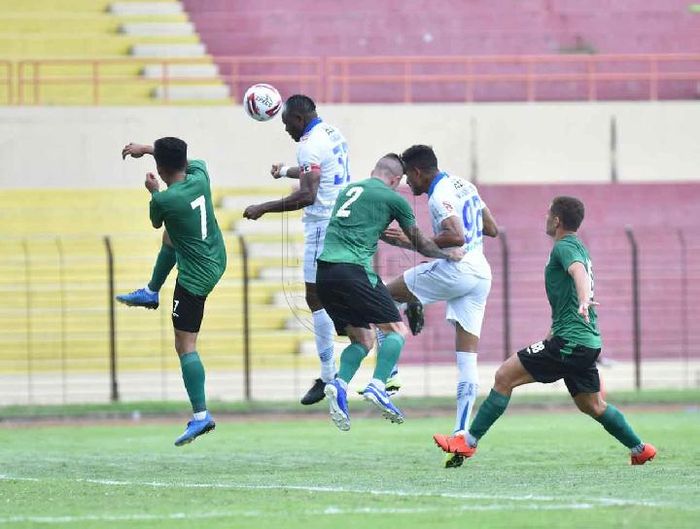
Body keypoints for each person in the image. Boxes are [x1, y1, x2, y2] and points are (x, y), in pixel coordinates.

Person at [433, 196, 657, 466]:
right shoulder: (576, 246)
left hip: (571, 342)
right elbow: (569, 293)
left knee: (504, 376)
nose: (544, 216)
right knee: (593, 406)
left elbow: (578, 273)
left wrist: (585, 299)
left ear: (557, 220)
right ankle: (640, 449)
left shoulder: (565, 247)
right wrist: (556, 329)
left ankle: (466, 443)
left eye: (548, 212)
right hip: (584, 342)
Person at [316, 153, 464, 431]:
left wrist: (384, 233)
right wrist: (447, 255)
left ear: (375, 171)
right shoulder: (394, 199)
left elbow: (362, 226)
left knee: (363, 339)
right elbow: (421, 242)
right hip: (353, 271)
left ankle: (339, 384)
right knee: (396, 330)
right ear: (396, 180)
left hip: (324, 272)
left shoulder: (349, 190)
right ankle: (378, 386)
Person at [380, 145, 498, 467]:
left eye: (408, 178)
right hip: (481, 273)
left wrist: (409, 239)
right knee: (466, 360)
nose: (408, 185)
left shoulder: (438, 194)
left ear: (418, 172)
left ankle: (387, 373)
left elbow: (455, 235)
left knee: (382, 296)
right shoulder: (464, 185)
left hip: (458, 270)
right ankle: (460, 435)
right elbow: (491, 228)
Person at [243, 94, 350, 406]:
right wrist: (286, 170)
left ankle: (328, 375)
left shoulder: (307, 143)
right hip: (343, 221)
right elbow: (319, 171)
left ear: (299, 119)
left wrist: (263, 207)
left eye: (287, 123)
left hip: (322, 227)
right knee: (344, 292)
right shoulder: (331, 133)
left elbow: (308, 195)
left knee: (315, 297)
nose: (286, 129)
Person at [122, 138, 227, 447]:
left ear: (159, 168)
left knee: (185, 345)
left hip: (196, 276)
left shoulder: (165, 200)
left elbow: (157, 220)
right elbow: (187, 159)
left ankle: (200, 416)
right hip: (216, 255)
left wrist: (155, 192)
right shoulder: (200, 176)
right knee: (173, 234)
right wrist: (151, 149)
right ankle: (152, 291)